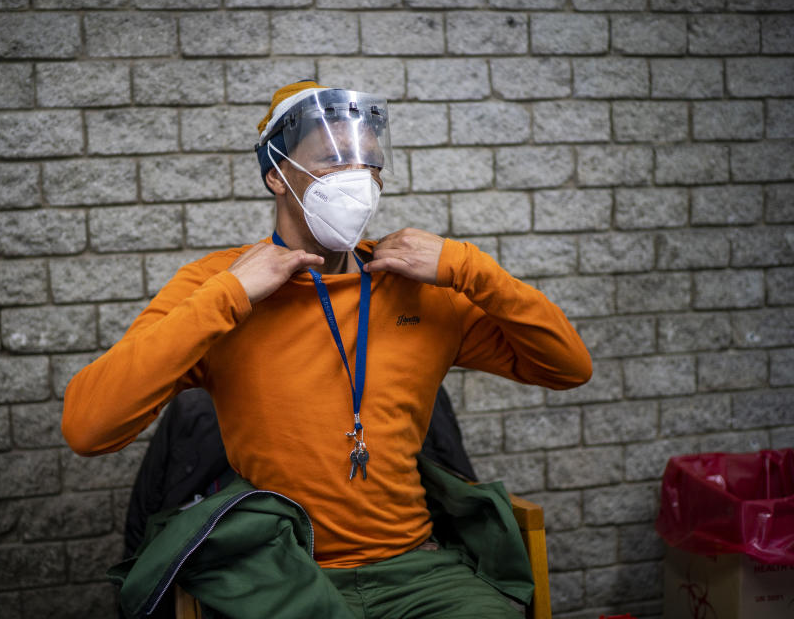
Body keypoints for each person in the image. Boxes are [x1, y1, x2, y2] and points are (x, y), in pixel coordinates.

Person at [62, 80, 592, 618]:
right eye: (333, 161)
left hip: (415, 568)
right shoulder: (215, 285)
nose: (356, 179)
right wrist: (229, 295)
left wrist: (471, 268)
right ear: (276, 175)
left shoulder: (419, 284)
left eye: (368, 163)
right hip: (281, 570)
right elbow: (89, 427)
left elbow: (568, 366)